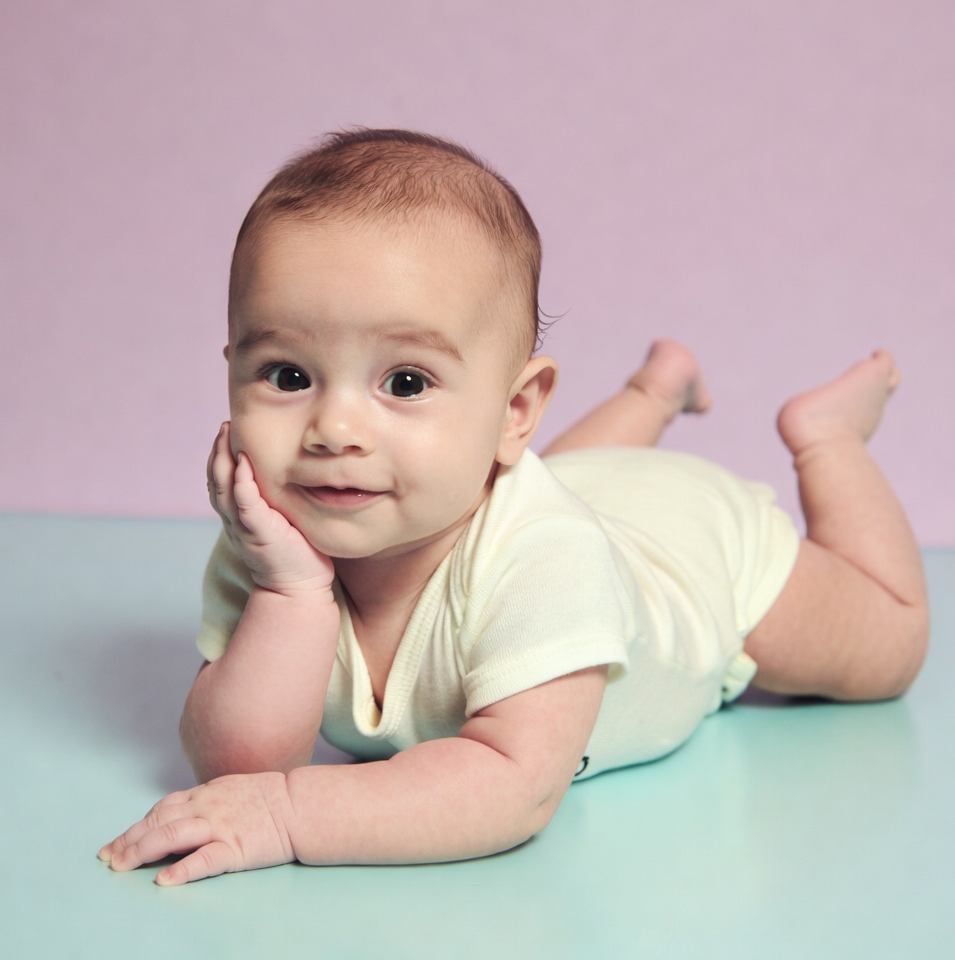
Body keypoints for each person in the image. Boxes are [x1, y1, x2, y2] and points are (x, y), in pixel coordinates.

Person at [99, 129, 928, 885]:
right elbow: (239, 762)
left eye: (405, 382)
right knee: (567, 478)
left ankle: (828, 437)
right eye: (287, 375)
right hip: (571, 488)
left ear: (514, 412)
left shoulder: (547, 557)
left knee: (886, 646)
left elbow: (511, 783)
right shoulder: (274, 541)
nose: (334, 429)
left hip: (694, 559)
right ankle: (654, 389)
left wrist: (289, 815)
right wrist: (290, 595)